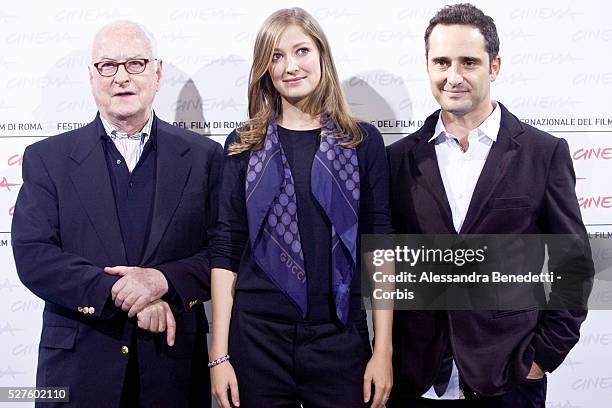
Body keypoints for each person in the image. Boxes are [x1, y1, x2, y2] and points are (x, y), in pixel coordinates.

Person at [386, 4, 593, 408]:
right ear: (427, 66)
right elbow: (387, 266)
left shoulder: (543, 153)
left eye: (469, 62)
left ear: (494, 67)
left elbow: (573, 263)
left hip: (510, 375)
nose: (454, 76)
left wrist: (543, 357)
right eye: (441, 62)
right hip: (417, 376)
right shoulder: (398, 160)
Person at [11, 20, 221, 407]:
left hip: (172, 367)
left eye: (136, 64)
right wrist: (122, 293)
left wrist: (162, 280)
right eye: (108, 66)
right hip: (78, 372)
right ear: (92, 77)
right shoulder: (48, 159)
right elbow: (34, 255)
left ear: (157, 73)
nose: (121, 77)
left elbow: (224, 253)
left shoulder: (205, 157)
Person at [209, 7, 393, 408]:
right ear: (264, 69)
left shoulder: (361, 141)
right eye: (275, 56)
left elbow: (379, 247)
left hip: (340, 337)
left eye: (301, 51)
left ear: (322, 56)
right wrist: (219, 354)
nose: (290, 66)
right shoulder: (243, 145)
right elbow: (226, 249)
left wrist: (384, 350)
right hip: (257, 340)